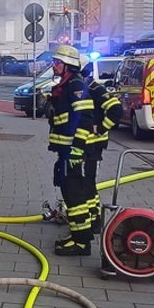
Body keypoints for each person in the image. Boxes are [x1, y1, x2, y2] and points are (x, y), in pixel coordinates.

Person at [47, 45, 95, 256]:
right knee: (68, 193)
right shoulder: (66, 85)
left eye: (58, 62)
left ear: (68, 65)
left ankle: (82, 243)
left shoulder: (75, 85)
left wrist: (76, 149)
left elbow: (84, 119)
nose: (54, 65)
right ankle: (76, 236)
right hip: (66, 151)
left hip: (73, 152)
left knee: (75, 196)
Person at [79, 55, 122, 234]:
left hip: (93, 146)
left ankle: (94, 220)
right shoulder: (82, 88)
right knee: (86, 182)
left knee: (87, 182)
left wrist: (101, 128)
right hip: (85, 144)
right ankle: (92, 217)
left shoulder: (94, 88)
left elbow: (116, 109)